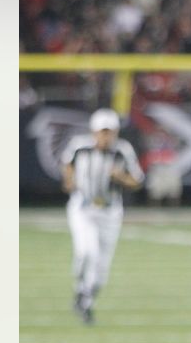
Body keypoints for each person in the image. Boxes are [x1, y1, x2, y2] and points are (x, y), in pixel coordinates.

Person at [60, 108, 144, 325]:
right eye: (102, 132)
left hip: (109, 212)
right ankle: (81, 291)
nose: (106, 137)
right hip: (83, 207)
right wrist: (69, 182)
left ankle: (85, 298)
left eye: (110, 132)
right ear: (94, 131)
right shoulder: (80, 146)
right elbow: (67, 163)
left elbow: (137, 180)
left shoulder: (123, 150)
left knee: (102, 270)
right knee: (87, 251)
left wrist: (121, 177)